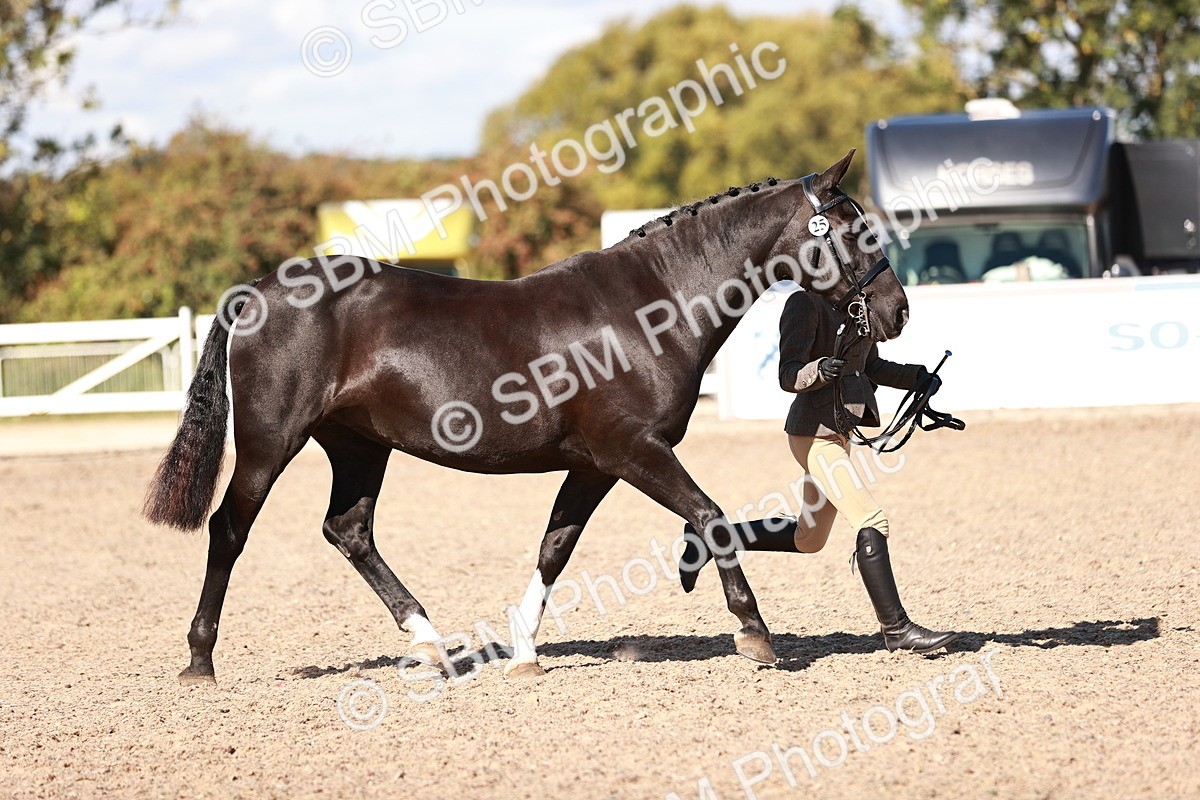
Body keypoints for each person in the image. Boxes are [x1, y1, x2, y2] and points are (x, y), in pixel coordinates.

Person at [679, 289, 960, 654]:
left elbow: (869, 366)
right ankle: (898, 629)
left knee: (808, 539)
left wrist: (917, 378)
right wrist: (819, 370)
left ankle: (710, 538)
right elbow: (788, 373)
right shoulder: (804, 304)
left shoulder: (857, 308)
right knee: (871, 518)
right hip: (812, 435)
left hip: (838, 433)